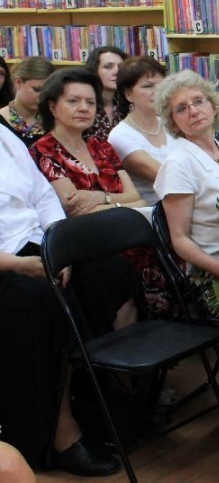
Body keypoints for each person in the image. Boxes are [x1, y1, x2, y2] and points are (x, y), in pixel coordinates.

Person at [0, 124, 120, 477]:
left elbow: (42, 196)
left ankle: (108, 403)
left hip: (36, 242)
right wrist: (20, 265)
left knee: (110, 273)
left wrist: (58, 245)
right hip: (6, 259)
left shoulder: (5, 136)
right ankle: (60, 433)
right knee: (41, 300)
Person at [154, 70, 219, 312]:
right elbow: (179, 240)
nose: (193, 111)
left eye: (199, 101)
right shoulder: (178, 164)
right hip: (216, 274)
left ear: (213, 106)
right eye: (181, 108)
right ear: (174, 123)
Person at [30, 68, 144, 217]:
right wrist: (129, 205)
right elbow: (75, 210)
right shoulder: (43, 151)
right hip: (80, 235)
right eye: (73, 101)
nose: (84, 108)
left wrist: (101, 197)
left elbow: (136, 197)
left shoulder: (102, 147)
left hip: (124, 229)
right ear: (53, 108)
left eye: (90, 102)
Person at [108, 56, 174, 204]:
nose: (158, 91)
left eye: (162, 85)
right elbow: (164, 176)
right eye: (148, 86)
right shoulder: (120, 136)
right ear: (128, 94)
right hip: (152, 212)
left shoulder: (170, 123)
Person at [0, 56, 54, 147]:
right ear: (18, 83)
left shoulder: (55, 120)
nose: (42, 96)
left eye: (48, 92)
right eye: (37, 89)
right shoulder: (1, 121)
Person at [83, 46, 128, 141]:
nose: (116, 71)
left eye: (120, 67)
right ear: (94, 71)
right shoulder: (84, 106)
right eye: (108, 67)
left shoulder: (129, 104)